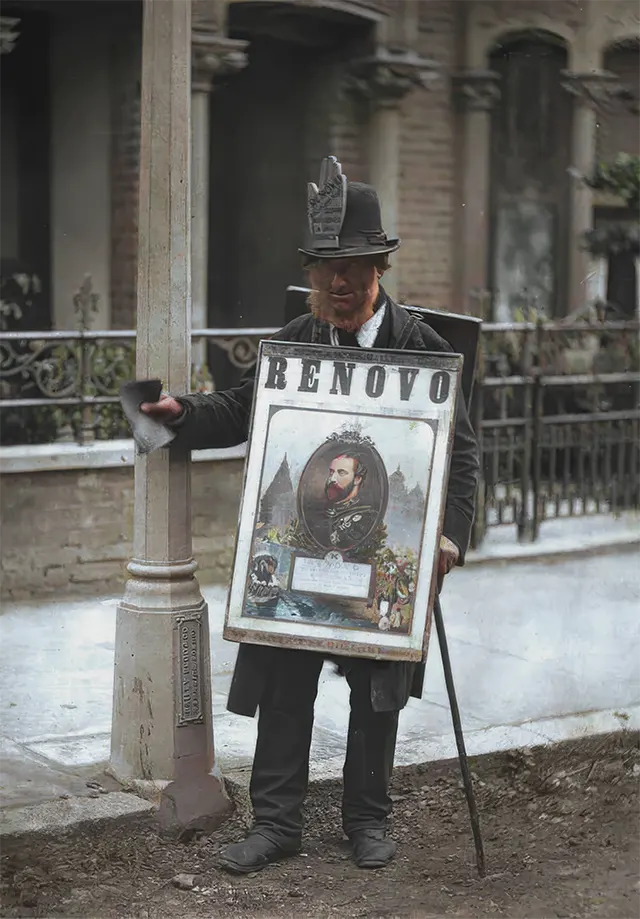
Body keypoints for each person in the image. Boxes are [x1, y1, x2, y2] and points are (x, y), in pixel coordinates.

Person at [141, 156, 479, 874]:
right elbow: (242, 408)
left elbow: (464, 457)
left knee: (374, 689)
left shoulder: (421, 350)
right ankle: (277, 824)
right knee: (286, 681)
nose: (338, 283)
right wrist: (181, 414)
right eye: (326, 268)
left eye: (353, 266)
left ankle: (366, 821)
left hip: (375, 553)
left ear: (380, 265)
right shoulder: (298, 333)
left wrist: (449, 535)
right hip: (303, 549)